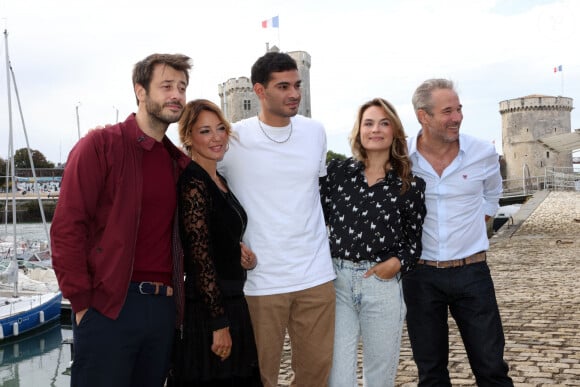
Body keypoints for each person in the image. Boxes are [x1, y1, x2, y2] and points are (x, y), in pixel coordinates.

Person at [50, 53, 192, 387]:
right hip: (109, 307)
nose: (177, 95)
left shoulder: (177, 163)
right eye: (167, 86)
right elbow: (68, 228)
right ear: (140, 91)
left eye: (182, 88)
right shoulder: (100, 146)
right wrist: (83, 305)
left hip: (163, 310)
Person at [217, 51, 336, 387]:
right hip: (260, 282)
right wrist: (228, 242)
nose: (294, 93)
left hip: (316, 277)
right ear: (259, 91)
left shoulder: (315, 133)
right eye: (283, 86)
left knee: (315, 377)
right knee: (259, 377)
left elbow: (316, 190)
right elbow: (202, 188)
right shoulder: (232, 138)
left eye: (297, 85)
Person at [403, 78, 513, 386]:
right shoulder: (400, 156)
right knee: (431, 373)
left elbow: (492, 194)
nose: (457, 117)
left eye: (459, 109)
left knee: (491, 367)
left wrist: (480, 224)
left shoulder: (482, 153)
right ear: (423, 116)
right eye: (447, 111)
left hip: (472, 273)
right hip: (420, 277)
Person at [320, 98, 426, 386]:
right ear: (359, 130)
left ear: (394, 131)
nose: (375, 129)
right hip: (338, 281)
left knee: (379, 377)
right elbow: (311, 219)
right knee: (338, 377)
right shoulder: (337, 174)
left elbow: (414, 244)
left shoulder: (410, 185)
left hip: (381, 284)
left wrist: (395, 263)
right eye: (368, 123)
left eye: (384, 123)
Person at [168, 99, 262, 387]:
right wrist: (219, 324)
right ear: (188, 138)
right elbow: (200, 260)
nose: (217, 137)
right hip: (208, 312)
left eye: (221, 128)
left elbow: (216, 237)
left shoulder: (218, 179)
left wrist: (239, 252)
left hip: (231, 303)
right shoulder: (194, 183)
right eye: (205, 131)